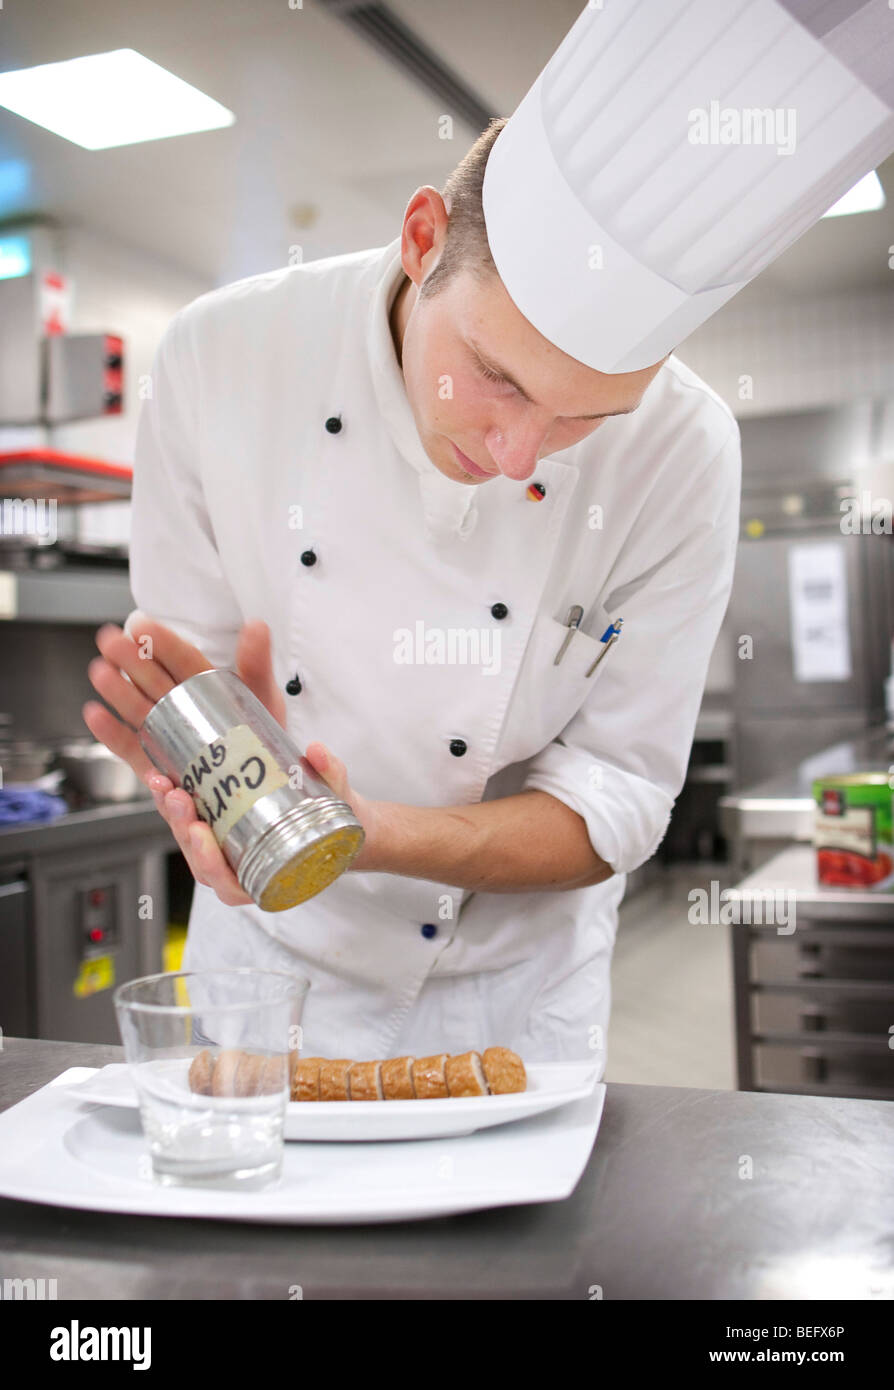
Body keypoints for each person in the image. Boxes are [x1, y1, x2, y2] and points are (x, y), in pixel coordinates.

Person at [83, 116, 740, 1069]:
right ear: (422, 239)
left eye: (586, 419)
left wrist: (363, 833)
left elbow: (620, 796)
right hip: (274, 970)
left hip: (515, 996)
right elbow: (190, 687)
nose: (517, 456)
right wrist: (228, 797)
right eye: (496, 377)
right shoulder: (221, 356)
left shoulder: (686, 448)